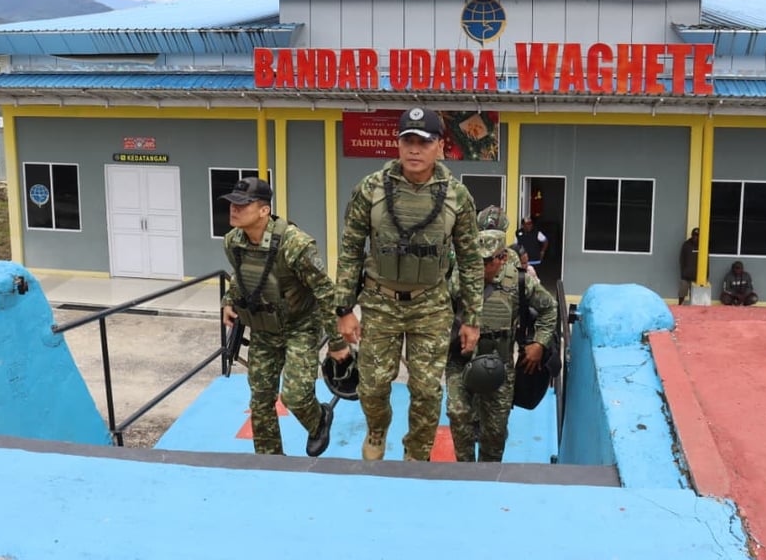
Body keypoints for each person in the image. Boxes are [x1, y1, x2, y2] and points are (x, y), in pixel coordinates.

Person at [334, 106, 483, 462]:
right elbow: (350, 249)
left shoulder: (457, 196)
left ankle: (416, 453)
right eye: (408, 141)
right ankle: (376, 430)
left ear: (440, 146)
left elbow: (471, 259)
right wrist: (343, 309)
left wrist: (472, 318)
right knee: (372, 385)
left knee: (427, 390)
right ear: (398, 145)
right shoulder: (370, 189)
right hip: (380, 301)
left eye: (424, 142)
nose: (415, 149)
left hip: (430, 304)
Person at [219, 177, 348, 457]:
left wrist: (337, 343)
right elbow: (240, 276)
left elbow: (325, 292)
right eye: (232, 203)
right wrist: (229, 300)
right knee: (260, 399)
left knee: (295, 396)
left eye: (242, 204)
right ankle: (270, 460)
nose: (234, 209)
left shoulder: (295, 244)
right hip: (263, 328)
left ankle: (318, 420)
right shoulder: (232, 241)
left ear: (264, 210)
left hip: (300, 326)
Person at [445, 229, 556, 462]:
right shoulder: (459, 278)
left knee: (495, 431)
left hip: (500, 365)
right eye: (477, 260)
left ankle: (488, 473)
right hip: (461, 360)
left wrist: (539, 343)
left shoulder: (519, 281)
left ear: (503, 257)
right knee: (458, 413)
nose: (482, 267)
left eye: (488, 261)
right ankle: (464, 468)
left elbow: (549, 308)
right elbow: (438, 310)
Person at [678, 227, 700, 305]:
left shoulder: (702, 245)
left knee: (695, 294)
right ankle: (680, 305)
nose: (696, 237)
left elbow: (706, 260)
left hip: (698, 275)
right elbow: (682, 259)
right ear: (692, 235)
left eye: (697, 235)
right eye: (694, 235)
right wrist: (683, 272)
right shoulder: (686, 245)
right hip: (686, 275)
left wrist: (706, 274)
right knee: (682, 291)